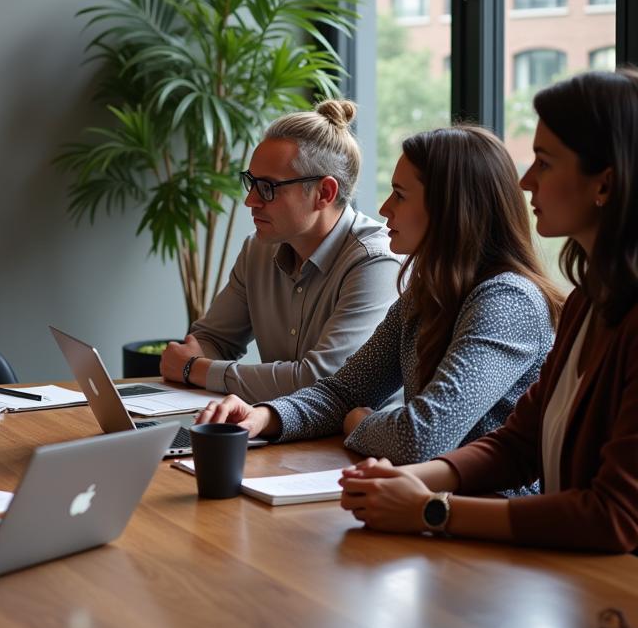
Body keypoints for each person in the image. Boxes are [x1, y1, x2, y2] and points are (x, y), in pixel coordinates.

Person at [337, 69, 638, 553]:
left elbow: (614, 518)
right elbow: (519, 444)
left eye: (544, 162)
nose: (524, 180)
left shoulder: (514, 299)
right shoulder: (588, 302)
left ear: (604, 182)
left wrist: (429, 507)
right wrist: (412, 483)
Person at [196, 124, 562, 465]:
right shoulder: (424, 295)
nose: (385, 208)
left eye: (400, 196)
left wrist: (358, 423)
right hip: (422, 504)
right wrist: (265, 416)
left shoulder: (507, 301)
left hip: (485, 519)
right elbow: (342, 392)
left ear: (450, 210)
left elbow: (418, 439)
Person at [161, 100, 401, 403]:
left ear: (324, 193)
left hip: (356, 442)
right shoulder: (257, 249)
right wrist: (196, 362)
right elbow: (211, 340)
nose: (250, 200)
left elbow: (323, 382)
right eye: (251, 182)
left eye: (268, 187)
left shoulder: (375, 262)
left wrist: (194, 369)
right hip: (278, 432)